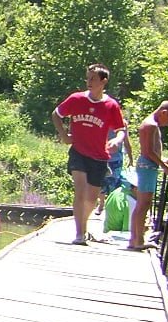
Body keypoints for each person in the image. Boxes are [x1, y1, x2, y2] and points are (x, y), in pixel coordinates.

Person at [51, 64, 126, 246]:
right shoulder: (76, 99)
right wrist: (63, 135)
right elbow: (56, 114)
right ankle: (79, 234)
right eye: (87, 78)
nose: (89, 82)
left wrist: (117, 140)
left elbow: (121, 130)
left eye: (93, 78)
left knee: (91, 198)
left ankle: (83, 227)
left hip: (100, 156)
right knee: (81, 190)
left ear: (104, 81)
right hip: (78, 152)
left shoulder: (111, 105)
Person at [128, 100, 168, 251]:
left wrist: (164, 160)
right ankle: (138, 240)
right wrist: (164, 167)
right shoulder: (150, 125)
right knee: (144, 204)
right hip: (147, 168)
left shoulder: (152, 124)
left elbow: (152, 151)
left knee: (142, 204)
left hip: (149, 167)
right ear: (164, 112)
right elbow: (147, 152)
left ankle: (134, 239)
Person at [94, 125, 130, 216]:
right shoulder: (102, 119)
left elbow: (126, 142)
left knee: (114, 184)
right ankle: (101, 204)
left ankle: (111, 206)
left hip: (116, 159)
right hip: (101, 158)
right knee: (101, 183)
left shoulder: (122, 123)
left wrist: (131, 158)